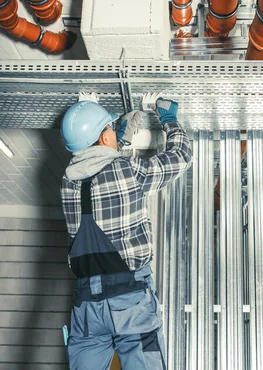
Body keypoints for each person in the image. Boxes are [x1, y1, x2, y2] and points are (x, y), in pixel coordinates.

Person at [59, 94, 192, 369]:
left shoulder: (67, 183)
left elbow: (95, 164)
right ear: (104, 137)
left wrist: (114, 133)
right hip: (130, 302)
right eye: (108, 129)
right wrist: (168, 118)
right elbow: (180, 156)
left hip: (87, 310)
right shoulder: (128, 171)